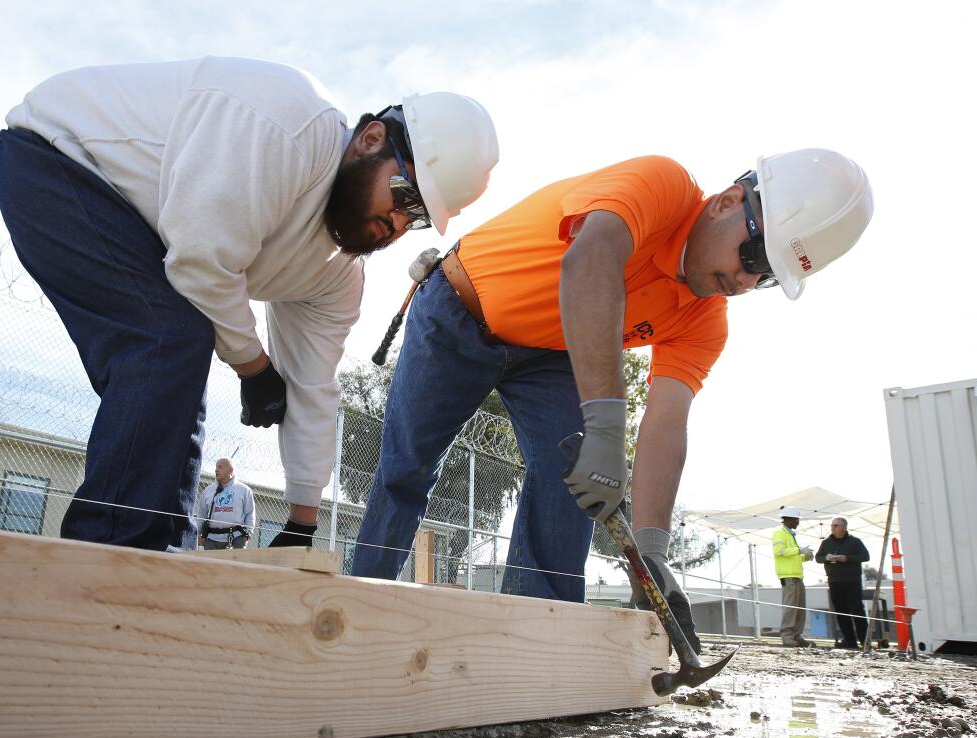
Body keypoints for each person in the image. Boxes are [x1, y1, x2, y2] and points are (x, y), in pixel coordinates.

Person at [351, 150, 873, 653]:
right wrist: (604, 424)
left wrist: (652, 553)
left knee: (571, 484)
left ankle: (540, 642)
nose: (744, 280)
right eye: (754, 255)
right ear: (727, 201)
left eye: (767, 278)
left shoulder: (705, 320)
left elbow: (667, 424)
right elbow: (591, 257)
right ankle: (363, 613)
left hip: (550, 352)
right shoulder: (662, 185)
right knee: (408, 463)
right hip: (459, 308)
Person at [0, 56, 499, 553]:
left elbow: (312, 384)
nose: (397, 223)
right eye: (404, 196)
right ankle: (104, 556)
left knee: (180, 352)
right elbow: (199, 262)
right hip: (60, 156)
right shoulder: (291, 127)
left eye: (416, 219)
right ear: (370, 139)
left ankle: (161, 550)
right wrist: (255, 368)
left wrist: (302, 520)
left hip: (147, 224)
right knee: (167, 339)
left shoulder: (338, 275)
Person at [816, 516, 871, 648]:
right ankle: (849, 640)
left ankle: (864, 641)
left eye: (836, 525)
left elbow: (865, 556)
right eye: (832, 525)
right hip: (834, 581)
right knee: (841, 611)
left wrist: (846, 558)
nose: (833, 528)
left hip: (852, 581)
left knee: (857, 609)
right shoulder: (826, 543)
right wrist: (827, 557)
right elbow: (818, 558)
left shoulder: (855, 541)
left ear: (844, 527)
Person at [773, 509, 816, 647]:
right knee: (790, 608)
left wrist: (805, 556)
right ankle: (787, 636)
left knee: (799, 608)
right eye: (796, 519)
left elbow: (791, 556)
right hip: (788, 576)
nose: (798, 522)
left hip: (797, 576)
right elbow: (779, 552)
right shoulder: (779, 533)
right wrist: (799, 550)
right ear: (788, 519)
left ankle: (796, 635)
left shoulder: (790, 535)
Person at [198, 458, 256, 550]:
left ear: (230, 471)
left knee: (234, 564)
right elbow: (202, 513)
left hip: (236, 538)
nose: (216, 470)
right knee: (210, 564)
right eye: (216, 467)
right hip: (211, 538)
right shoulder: (208, 490)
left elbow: (250, 513)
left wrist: (247, 533)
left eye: (220, 467)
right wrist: (199, 533)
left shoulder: (244, 490)